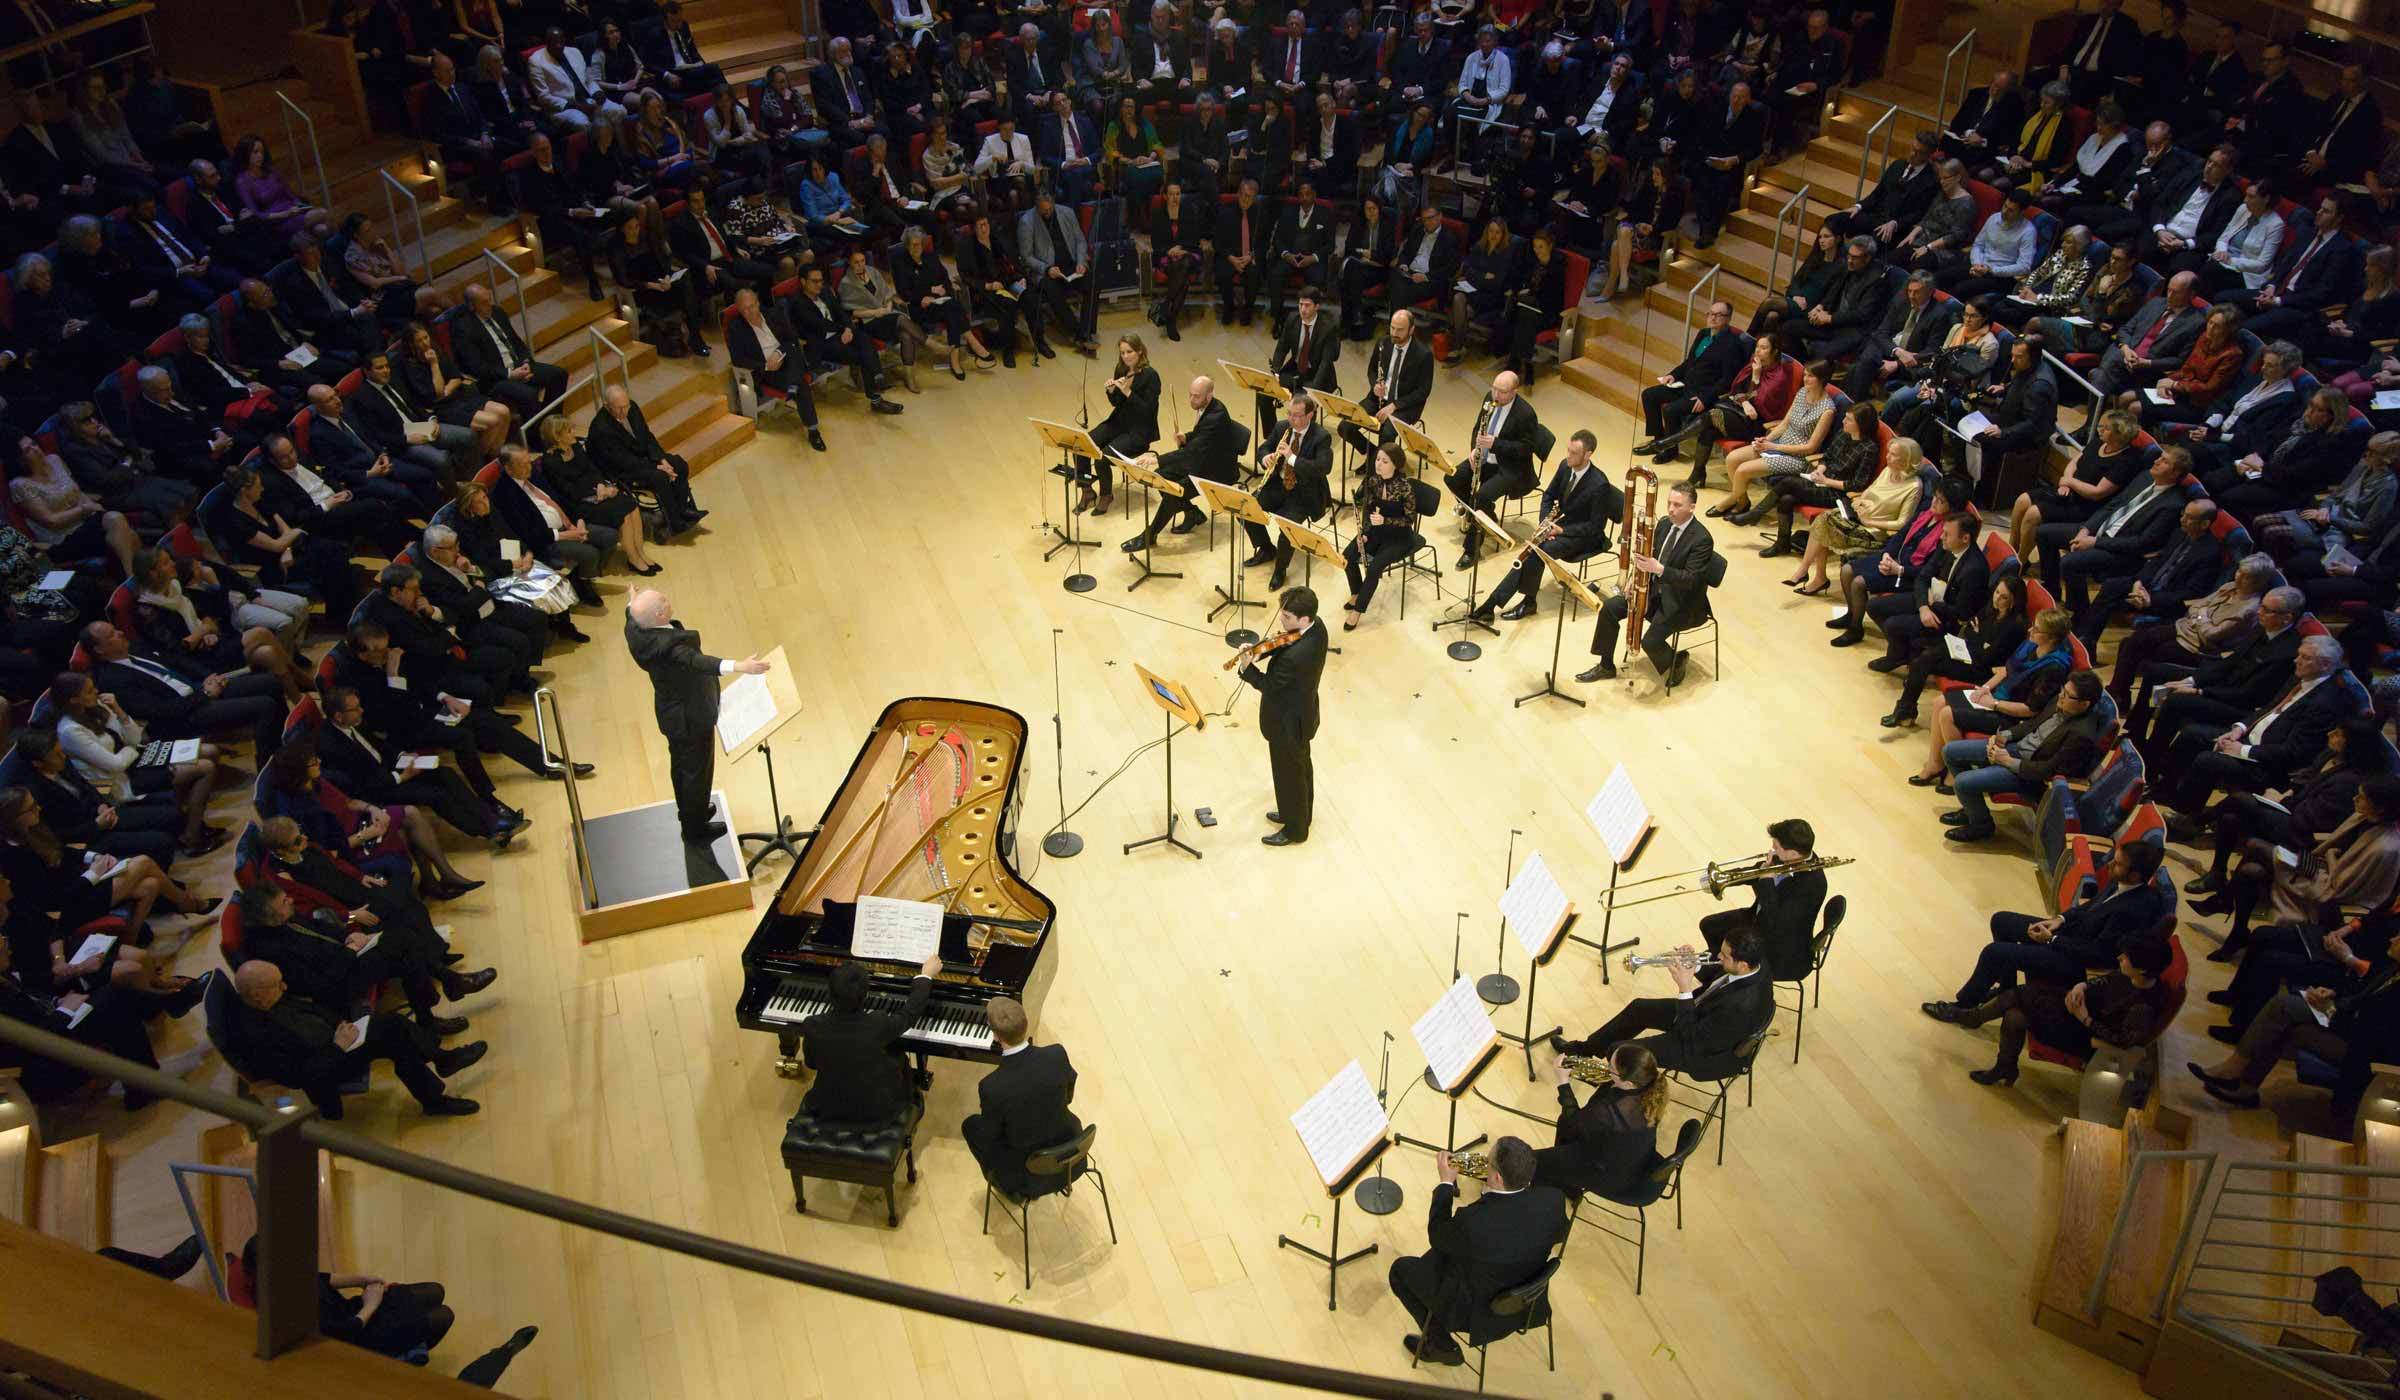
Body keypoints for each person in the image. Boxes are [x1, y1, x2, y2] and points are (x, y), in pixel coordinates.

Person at [1927, 840, 2169, 1021]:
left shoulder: (2131, 911)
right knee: (2001, 921)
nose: (2108, 865)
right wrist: (2059, 920)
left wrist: (2051, 939)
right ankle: (2005, 988)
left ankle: (1964, 1007)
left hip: (2075, 959)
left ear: (2136, 874)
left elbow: (2099, 954)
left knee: (1994, 953)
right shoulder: (2123, 882)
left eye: (2117, 863)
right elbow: (2090, 908)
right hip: (2068, 935)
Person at [1386, 1136, 1568, 1368]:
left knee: (1400, 1271)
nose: (1485, 1163)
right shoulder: (1553, 1200)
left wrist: (1445, 1183)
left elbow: (1437, 1235)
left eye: (1488, 1163)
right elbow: (1554, 1233)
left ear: (1498, 1177)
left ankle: (1442, 1346)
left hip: (1480, 1311)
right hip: (1528, 1300)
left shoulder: (1473, 1223)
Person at [227, 959, 481, 1119]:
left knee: (395, 1034)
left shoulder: (271, 998)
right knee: (393, 1030)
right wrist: (338, 1046)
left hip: (338, 1040)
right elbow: (298, 1076)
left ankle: (437, 1085)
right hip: (327, 1065)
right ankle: (440, 1070)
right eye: (277, 985)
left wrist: (339, 1024)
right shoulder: (256, 1035)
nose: (284, 988)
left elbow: (314, 1010)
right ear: (258, 995)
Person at [2190, 926, 2400, 1109]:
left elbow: (2373, 1032)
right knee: (2283, 1014)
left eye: (2399, 938)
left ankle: (2236, 1075)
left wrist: (2331, 1009)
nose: (2392, 939)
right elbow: (2360, 989)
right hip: (2348, 1025)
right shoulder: (2393, 966)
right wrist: (2331, 993)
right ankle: (2243, 1085)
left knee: (2284, 1010)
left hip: (2365, 1055)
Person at [1947, 935, 2175, 1087]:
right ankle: (2004, 1066)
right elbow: (2107, 981)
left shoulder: (2143, 1007)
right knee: (2015, 1014)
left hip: (2086, 1037)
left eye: (2125, 958)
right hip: (2081, 1014)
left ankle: (1975, 1019)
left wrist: (2083, 1018)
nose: (2119, 959)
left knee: (2021, 996)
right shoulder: (2133, 976)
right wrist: (2082, 986)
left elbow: (2121, 1041)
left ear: (2143, 968)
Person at [1553, 924, 1776, 1077]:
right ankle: (1584, 1050)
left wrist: (1685, 988)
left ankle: (1600, 1079)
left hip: (1699, 1049)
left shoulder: (1740, 1006)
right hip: (1702, 1015)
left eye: (1725, 956)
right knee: (1638, 1008)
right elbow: (1719, 975)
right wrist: (1695, 963)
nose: (1718, 956)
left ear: (1743, 965)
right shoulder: (1757, 963)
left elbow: (1688, 1035)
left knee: (1620, 1050)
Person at [1468, 429, 1620, 624]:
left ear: (1588, 455)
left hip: (1584, 537)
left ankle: (1517, 602)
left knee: (1538, 551)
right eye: (1568, 450)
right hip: (1560, 525)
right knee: (1533, 551)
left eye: (1574, 453)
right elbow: (1548, 495)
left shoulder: (1599, 485)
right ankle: (1493, 604)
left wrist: (1563, 530)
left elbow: (1596, 527)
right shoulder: (1566, 467)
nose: (1568, 456)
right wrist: (1544, 522)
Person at [1940, 670, 2110, 842]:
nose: (2061, 696)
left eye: (2068, 695)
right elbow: (2031, 724)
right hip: (2016, 749)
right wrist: (2004, 736)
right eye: (2062, 690)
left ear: (2084, 704)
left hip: (2029, 774)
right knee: (1950, 752)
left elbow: (2049, 770)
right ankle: (1973, 810)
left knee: (1962, 783)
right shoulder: (2060, 703)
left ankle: (1981, 825)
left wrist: (2008, 761)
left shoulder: (2081, 734)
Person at [1581, 481, 1715, 689]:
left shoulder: (1702, 539)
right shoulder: (1663, 524)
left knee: (1650, 643)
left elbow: (1691, 580)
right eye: (1670, 503)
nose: (1671, 509)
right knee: (1609, 609)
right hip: (1652, 592)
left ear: (1692, 507)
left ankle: (1677, 660)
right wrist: (1634, 577)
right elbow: (1647, 556)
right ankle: (1606, 665)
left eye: (1678, 505)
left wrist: (1659, 569)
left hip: (1682, 603)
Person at [798, 955, 944, 1120]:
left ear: (830, 994)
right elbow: (908, 1014)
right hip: (878, 1112)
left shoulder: (812, 1025)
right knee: (896, 1055)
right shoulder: (876, 1024)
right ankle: (909, 1096)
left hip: (826, 1107)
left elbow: (812, 1063)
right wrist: (926, 976)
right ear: (865, 995)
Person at [960, 994, 1080, 1194]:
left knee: (970, 1125)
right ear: (1025, 1024)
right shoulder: (1057, 1054)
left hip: (1027, 1172)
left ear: (996, 1035)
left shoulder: (992, 1087)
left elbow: (990, 1137)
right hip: (1070, 1152)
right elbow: (1068, 1095)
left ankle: (1006, 1186)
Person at [1239, 588, 1327, 848]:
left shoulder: (1297, 658)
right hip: (1302, 712)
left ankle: (1296, 830)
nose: (1281, 619)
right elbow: (1285, 641)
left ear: (1303, 619)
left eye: (1287, 616)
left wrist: (1247, 667)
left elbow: (1269, 685)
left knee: (1290, 773)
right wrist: (1259, 651)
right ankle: (1295, 813)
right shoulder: (1316, 626)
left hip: (1287, 722)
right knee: (1298, 768)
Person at [1696, 820, 1828, 983]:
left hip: (1779, 944)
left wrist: (1766, 881)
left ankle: (1728, 978)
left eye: (1776, 847)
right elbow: (1759, 874)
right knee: (1709, 925)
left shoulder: (1812, 885)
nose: (1773, 850)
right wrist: (1726, 878)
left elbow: (1776, 918)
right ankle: (1725, 967)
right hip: (1759, 919)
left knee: (1705, 968)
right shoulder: (1790, 858)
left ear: (1793, 853)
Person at [1121, 376, 1243, 552]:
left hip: (1217, 470)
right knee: (1162, 476)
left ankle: (1150, 536)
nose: (1191, 400)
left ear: (1209, 396)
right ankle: (1193, 513)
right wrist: (1187, 436)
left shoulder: (1216, 415)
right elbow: (1200, 437)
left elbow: (1190, 452)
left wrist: (1156, 458)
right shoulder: (1206, 407)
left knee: (1173, 493)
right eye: (1190, 395)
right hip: (1202, 459)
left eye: (1196, 396)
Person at [1531, 1043, 1663, 1200]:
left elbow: (1574, 1121)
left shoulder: (1610, 1113)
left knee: (1533, 1161)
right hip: (1629, 1158)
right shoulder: (1649, 1086)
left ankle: (1541, 1197)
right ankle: (1564, 1184)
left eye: (1610, 1067)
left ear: (1627, 1083)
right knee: (1563, 1127)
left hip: (1607, 1173)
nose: (1606, 1067)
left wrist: (1563, 1081)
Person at [1444, 371, 1542, 558]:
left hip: (1509, 467)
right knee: (1452, 477)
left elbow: (1526, 449)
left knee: (1481, 497)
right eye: (1494, 388)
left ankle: (1471, 551)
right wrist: (1474, 450)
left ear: (1514, 391)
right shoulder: (1490, 398)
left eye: (1502, 391)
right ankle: (1484, 517)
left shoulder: (1526, 414)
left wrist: (1495, 444)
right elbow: (1478, 428)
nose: (1496, 395)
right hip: (1484, 458)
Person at [1244, 395, 1332, 592]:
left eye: (1297, 415)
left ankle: (1280, 570)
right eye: (1290, 414)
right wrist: (1265, 456)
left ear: (1310, 414)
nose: (1292, 419)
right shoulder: (1282, 427)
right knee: (1246, 509)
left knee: (1287, 528)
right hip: (1278, 484)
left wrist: (1292, 459)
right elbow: (1264, 447)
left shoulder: (1321, 436)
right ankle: (1266, 549)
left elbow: (1323, 467)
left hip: (1303, 493)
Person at [723, 286, 824, 451]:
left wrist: (778, 352)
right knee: (802, 386)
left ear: (758, 302)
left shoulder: (772, 314)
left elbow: (790, 338)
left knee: (792, 348)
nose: (750, 311)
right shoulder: (736, 328)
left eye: (752, 306)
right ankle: (813, 430)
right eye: (744, 309)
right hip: (767, 370)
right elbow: (738, 359)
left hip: (787, 359)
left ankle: (793, 385)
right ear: (739, 310)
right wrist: (765, 365)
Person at [451, 283, 566, 423]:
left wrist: (526, 362)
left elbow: (517, 342)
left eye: (489, 299)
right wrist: (510, 374)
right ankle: (535, 437)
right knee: (528, 395)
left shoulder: (498, 312)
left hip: (518, 365)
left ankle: (551, 422)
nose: (489, 305)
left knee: (559, 375)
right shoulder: (463, 328)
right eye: (484, 303)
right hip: (496, 378)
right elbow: (477, 367)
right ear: (471, 306)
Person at [1342, 445, 1423, 630]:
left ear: (1396, 465)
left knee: (1374, 569)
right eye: (1378, 459)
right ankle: (1356, 593)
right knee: (1347, 557)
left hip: (1399, 538)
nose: (1379, 464)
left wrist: (1385, 520)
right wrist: (1364, 533)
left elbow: (1409, 519)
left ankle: (1358, 611)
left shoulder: (1405, 488)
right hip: (1376, 532)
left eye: (1385, 461)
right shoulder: (1373, 481)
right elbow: (1369, 511)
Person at [1076, 336, 1159, 514]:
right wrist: (1112, 391)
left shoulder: (1151, 376)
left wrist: (1128, 392)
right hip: (1118, 422)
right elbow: (1116, 403)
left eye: (1129, 352)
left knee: (1103, 456)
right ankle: (1087, 489)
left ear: (1140, 351)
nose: (1126, 356)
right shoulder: (1121, 369)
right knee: (1082, 444)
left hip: (1138, 431)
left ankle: (1106, 495)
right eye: (1122, 353)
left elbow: (1148, 412)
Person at [1341, 309, 1435, 459]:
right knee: (1345, 427)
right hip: (1377, 399)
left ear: (1411, 330)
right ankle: (1375, 457)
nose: (1394, 333)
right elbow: (1372, 370)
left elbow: (1423, 391)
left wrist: (1394, 405)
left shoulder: (1423, 354)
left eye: (1400, 330)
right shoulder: (1384, 343)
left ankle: (1376, 473)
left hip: (1404, 406)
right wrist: (1375, 385)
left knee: (1387, 433)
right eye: (1392, 327)